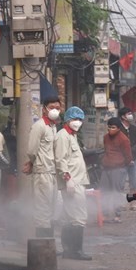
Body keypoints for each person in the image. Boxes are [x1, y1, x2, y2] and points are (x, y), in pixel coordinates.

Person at [55, 106, 91, 260]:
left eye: (80, 119)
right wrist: (67, 179)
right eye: (75, 119)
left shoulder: (72, 135)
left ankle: (68, 250)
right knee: (79, 216)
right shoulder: (63, 136)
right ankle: (75, 251)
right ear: (67, 120)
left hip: (76, 181)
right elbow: (60, 159)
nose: (78, 122)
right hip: (72, 182)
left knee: (69, 216)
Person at [23, 96, 61, 237]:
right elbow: (32, 150)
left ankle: (49, 244)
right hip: (42, 172)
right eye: (51, 107)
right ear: (44, 109)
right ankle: (42, 246)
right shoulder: (39, 126)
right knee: (42, 210)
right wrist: (33, 163)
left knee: (51, 209)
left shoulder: (52, 126)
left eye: (57, 108)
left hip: (52, 172)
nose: (55, 110)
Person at [100, 117, 134, 223]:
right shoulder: (106, 137)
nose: (110, 129)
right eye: (109, 127)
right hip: (106, 168)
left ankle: (117, 215)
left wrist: (123, 165)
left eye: (113, 127)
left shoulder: (124, 139)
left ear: (119, 128)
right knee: (104, 192)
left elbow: (128, 156)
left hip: (118, 169)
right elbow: (106, 150)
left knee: (116, 192)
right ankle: (104, 214)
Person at [118, 107, 136, 192]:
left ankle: (132, 199)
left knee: (133, 180)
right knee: (121, 180)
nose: (131, 115)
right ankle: (119, 200)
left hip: (133, 157)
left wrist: (132, 152)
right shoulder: (118, 129)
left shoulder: (134, 128)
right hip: (122, 158)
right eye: (128, 114)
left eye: (131, 113)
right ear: (123, 117)